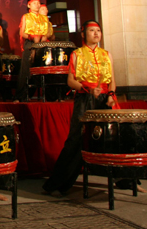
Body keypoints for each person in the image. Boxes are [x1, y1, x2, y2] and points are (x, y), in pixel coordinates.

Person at [43, 20, 119, 195]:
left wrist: (111, 95)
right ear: (84, 34)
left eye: (98, 30)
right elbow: (70, 81)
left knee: (110, 139)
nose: (96, 33)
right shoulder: (77, 54)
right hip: (85, 98)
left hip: (104, 100)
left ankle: (125, 181)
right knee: (76, 139)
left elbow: (113, 81)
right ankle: (58, 184)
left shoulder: (107, 54)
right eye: (92, 30)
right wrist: (87, 89)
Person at [15, 0, 49, 101]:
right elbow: (22, 33)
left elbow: (47, 32)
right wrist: (32, 37)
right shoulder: (26, 16)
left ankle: (36, 95)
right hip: (30, 43)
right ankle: (20, 96)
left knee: (40, 69)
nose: (37, 5)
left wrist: (43, 38)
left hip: (42, 44)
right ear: (29, 5)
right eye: (34, 3)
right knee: (26, 70)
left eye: (38, 3)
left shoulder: (44, 18)